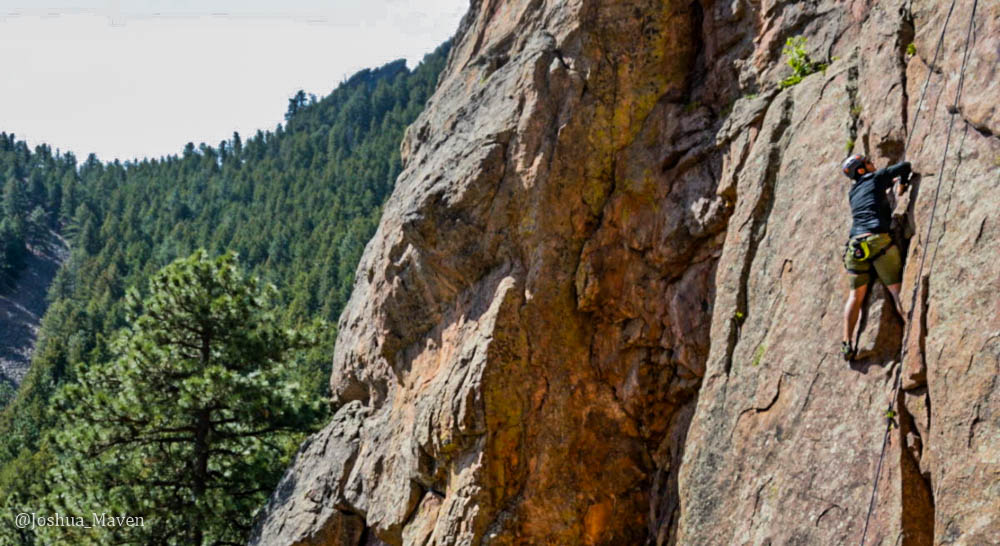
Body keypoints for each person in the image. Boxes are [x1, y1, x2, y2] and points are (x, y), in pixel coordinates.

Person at [840, 154, 911, 361]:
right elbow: (905, 166)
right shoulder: (874, 178)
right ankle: (911, 336)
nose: (873, 164)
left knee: (855, 296)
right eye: (868, 162)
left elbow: (875, 191)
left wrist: (891, 183)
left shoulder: (853, 193)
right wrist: (902, 184)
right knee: (896, 292)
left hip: (856, 247)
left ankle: (847, 342)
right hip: (877, 241)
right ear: (862, 170)